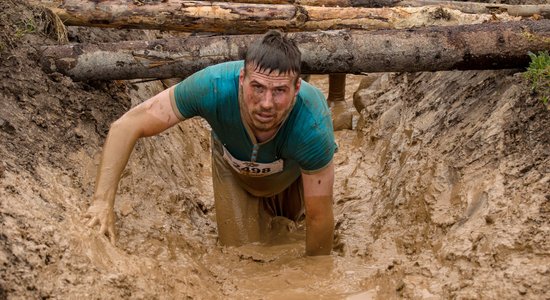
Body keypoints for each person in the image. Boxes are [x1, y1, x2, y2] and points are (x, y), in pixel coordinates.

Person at [85, 30, 337, 256]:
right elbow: (127, 125)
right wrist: (101, 202)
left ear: (297, 88)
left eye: (279, 91)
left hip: (292, 176)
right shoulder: (212, 87)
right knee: (241, 257)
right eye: (257, 87)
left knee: (297, 230)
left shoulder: (312, 122)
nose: (267, 103)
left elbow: (319, 217)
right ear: (241, 79)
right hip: (234, 172)